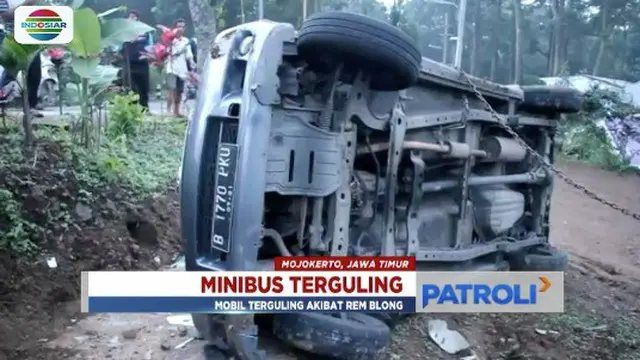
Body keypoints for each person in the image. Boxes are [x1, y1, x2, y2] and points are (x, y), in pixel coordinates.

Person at [0, 0, 42, 116]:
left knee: (35, 73)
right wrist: (28, 3)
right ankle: (2, 106)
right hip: (10, 38)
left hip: (31, 36)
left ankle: (31, 107)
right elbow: (5, 16)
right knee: (9, 75)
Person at [121, 10, 153, 109]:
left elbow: (150, 46)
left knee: (144, 87)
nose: (132, 18)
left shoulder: (146, 32)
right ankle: (132, 109)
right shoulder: (123, 32)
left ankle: (145, 108)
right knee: (131, 87)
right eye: (130, 17)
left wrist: (150, 56)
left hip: (142, 64)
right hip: (129, 64)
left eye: (134, 17)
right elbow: (118, 48)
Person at [163, 19, 194, 117]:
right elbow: (166, 52)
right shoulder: (170, 39)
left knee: (179, 91)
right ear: (175, 28)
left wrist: (192, 64)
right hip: (171, 68)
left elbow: (189, 55)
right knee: (171, 89)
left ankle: (177, 111)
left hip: (182, 69)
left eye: (182, 27)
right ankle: (168, 111)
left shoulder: (186, 41)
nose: (180, 29)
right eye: (178, 26)